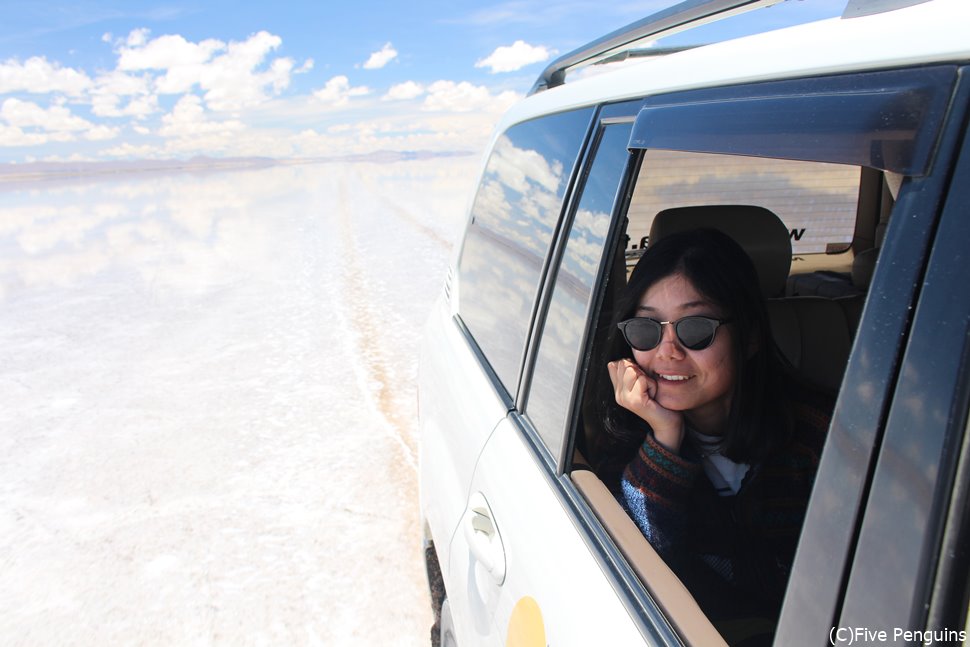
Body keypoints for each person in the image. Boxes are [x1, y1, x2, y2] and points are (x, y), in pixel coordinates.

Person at [593, 227, 832, 644]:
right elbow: (647, 576)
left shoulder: (824, 440)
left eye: (695, 328)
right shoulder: (621, 447)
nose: (668, 351)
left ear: (750, 336)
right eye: (647, 329)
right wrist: (664, 435)